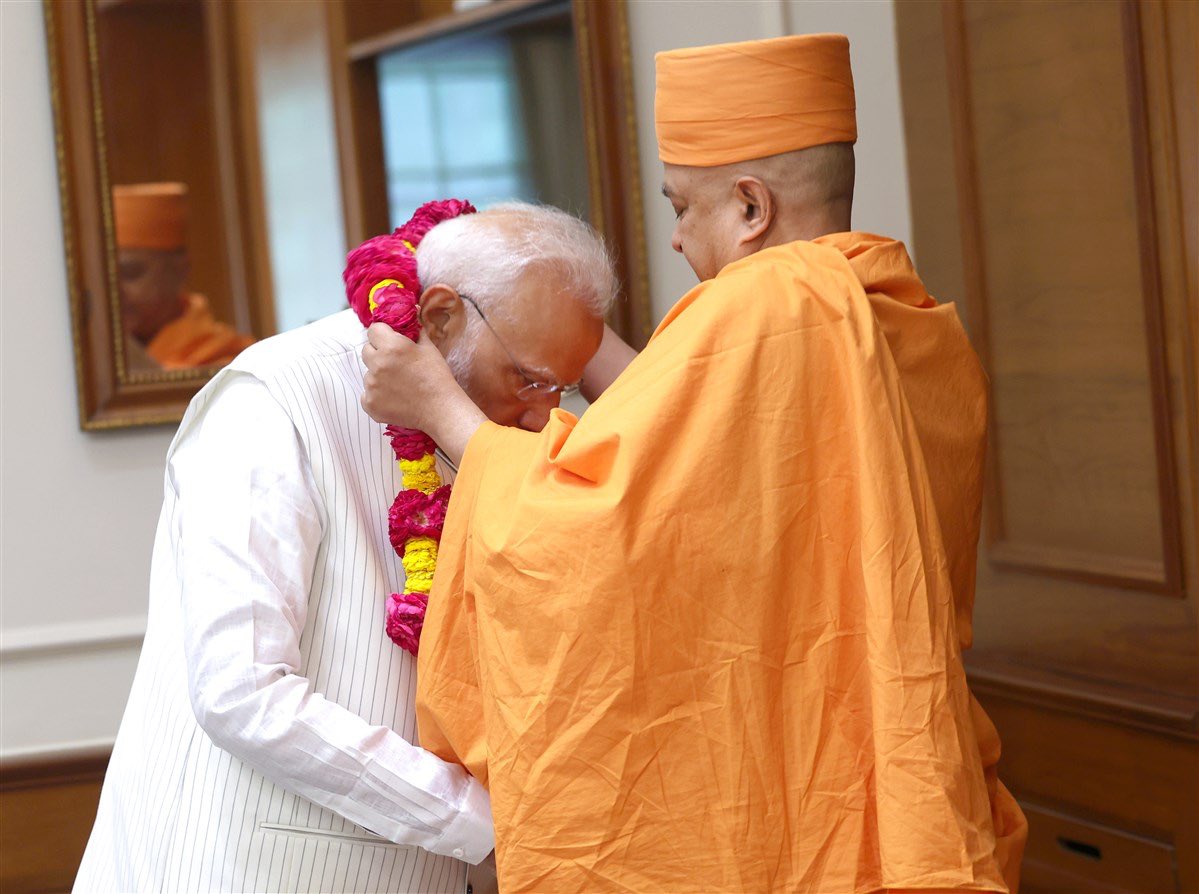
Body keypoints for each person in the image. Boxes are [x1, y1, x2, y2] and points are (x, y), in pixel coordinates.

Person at [360, 34, 1028, 893]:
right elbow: (692, 457)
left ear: (750, 207)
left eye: (682, 206)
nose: (675, 239)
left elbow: (598, 528)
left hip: (779, 787)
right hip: (880, 755)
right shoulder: (909, 319)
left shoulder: (765, 302)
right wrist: (548, 315)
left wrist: (438, 407)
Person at [74, 202, 615, 893]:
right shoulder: (273, 398)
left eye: (561, 387)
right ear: (442, 314)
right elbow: (242, 693)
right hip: (245, 868)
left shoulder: (490, 426)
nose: (544, 413)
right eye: (529, 379)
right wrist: (484, 829)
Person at [113, 182, 255, 371]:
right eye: (105, 280)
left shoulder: (229, 355)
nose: (115, 292)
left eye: (130, 273)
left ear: (180, 270)